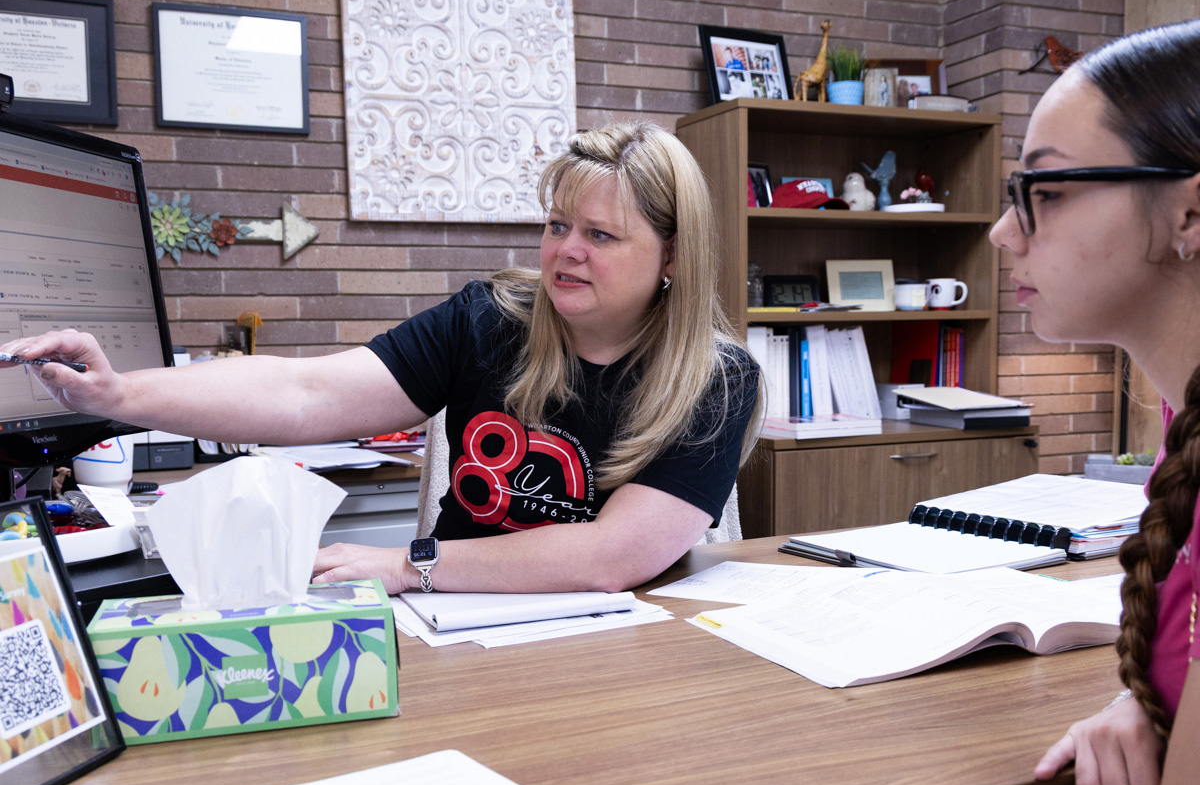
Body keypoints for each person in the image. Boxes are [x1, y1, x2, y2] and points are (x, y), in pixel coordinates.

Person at [4, 121, 762, 596]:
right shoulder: (488, 319)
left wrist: (407, 564)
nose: (565, 250)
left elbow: (609, 557)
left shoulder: (718, 381)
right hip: (457, 625)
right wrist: (119, 394)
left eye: (600, 235)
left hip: (622, 649)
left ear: (672, 255)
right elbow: (305, 392)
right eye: (557, 224)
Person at [958, 20, 1200, 785]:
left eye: (1045, 192)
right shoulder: (1181, 420)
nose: (1003, 234)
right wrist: (1154, 698)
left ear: (1190, 214)